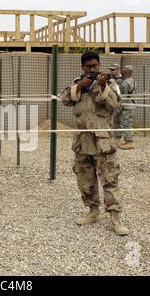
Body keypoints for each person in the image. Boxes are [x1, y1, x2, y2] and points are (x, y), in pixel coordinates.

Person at [60, 52, 129, 236]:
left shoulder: (110, 84)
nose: (93, 69)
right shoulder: (78, 83)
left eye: (95, 65)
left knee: (110, 179)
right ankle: (93, 211)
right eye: (89, 66)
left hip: (103, 142)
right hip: (83, 141)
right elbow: (64, 99)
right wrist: (80, 86)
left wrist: (103, 86)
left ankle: (115, 218)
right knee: (85, 178)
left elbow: (116, 105)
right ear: (82, 67)